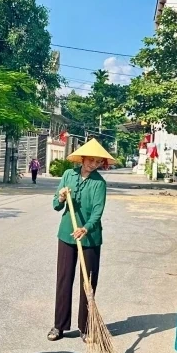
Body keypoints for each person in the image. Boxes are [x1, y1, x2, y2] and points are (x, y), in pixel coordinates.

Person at [48, 139, 113, 342]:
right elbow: (55, 206)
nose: (93, 164)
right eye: (90, 160)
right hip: (67, 234)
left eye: (97, 162)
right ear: (82, 158)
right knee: (64, 279)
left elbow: (97, 211)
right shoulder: (68, 175)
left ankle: (85, 327)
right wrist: (60, 197)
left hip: (90, 238)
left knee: (88, 283)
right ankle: (59, 326)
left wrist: (85, 228)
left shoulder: (99, 183)